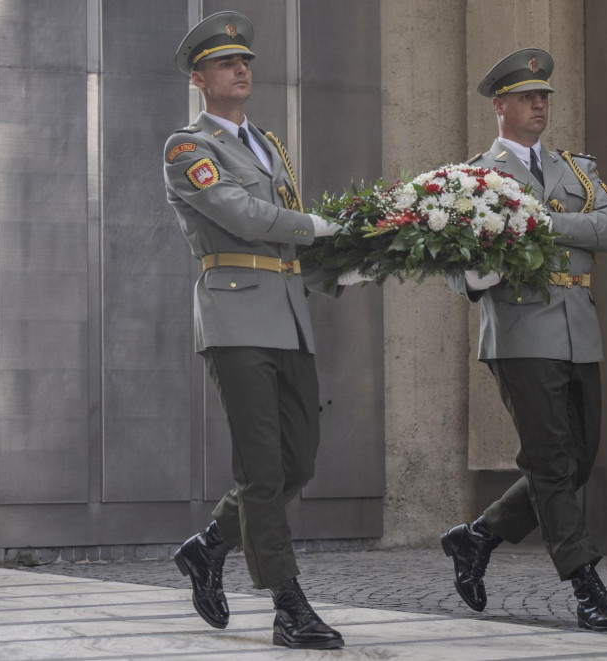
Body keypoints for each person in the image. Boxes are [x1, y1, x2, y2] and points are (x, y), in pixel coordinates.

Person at [165, 11, 368, 651]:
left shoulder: (268, 145)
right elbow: (246, 216)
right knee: (260, 468)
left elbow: (285, 237)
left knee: (296, 462)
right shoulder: (187, 149)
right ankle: (288, 605)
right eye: (227, 63)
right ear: (201, 78)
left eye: (245, 60)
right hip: (234, 319)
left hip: (288, 318)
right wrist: (320, 227)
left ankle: (208, 546)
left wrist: (351, 267)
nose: (242, 69)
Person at [441, 48, 607, 632]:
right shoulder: (475, 178)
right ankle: (586, 587)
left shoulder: (577, 170)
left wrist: (546, 223)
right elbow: (459, 272)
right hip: (522, 331)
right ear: (500, 105)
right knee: (552, 462)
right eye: (527, 97)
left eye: (544, 96)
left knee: (578, 460)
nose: (538, 105)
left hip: (579, 329)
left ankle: (477, 537)